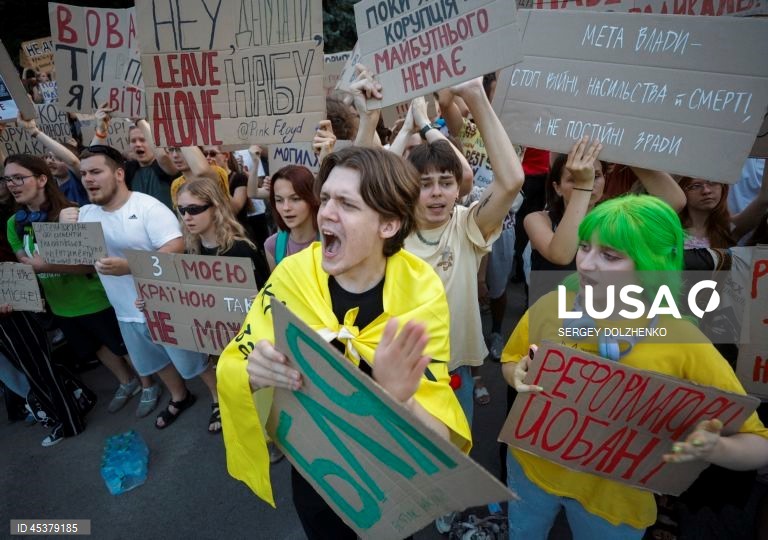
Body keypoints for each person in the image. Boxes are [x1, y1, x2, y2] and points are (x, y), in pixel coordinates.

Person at [217, 147, 471, 539]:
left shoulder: (420, 290)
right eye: (327, 198)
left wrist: (401, 399)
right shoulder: (293, 275)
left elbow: (440, 436)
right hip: (315, 474)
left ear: (388, 224)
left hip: (389, 478)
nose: (326, 213)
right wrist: (252, 371)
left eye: (347, 204)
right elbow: (237, 358)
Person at [502, 194, 768, 539]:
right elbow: (510, 360)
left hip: (615, 502)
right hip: (530, 471)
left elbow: (758, 444)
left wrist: (716, 448)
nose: (586, 264)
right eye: (585, 247)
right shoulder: (553, 305)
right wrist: (518, 374)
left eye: (609, 255)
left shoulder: (682, 340)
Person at [61, 145, 208, 430]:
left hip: (164, 305)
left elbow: (176, 248)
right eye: (83, 174)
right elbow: (71, 256)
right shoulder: (85, 214)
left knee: (196, 362)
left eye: (95, 172)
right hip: (125, 310)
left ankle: (217, 399)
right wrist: (62, 224)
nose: (88, 179)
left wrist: (131, 267)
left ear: (118, 173)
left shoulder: (146, 207)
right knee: (155, 362)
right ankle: (179, 397)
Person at [4, 154, 143, 417]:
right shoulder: (14, 224)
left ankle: (149, 384)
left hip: (94, 298)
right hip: (62, 305)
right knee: (95, 348)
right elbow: (25, 261)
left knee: (122, 346)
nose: (12, 184)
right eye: (8, 178)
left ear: (42, 179)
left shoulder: (71, 212)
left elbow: (92, 265)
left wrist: (47, 263)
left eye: (19, 177)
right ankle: (127, 383)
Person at [678, 166, 768, 249]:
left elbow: (764, 198)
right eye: (696, 186)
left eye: (713, 183)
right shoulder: (670, 228)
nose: (706, 191)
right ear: (681, 190)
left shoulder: (728, 228)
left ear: (723, 188)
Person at [17, 116, 89, 206]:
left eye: (59, 158)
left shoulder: (81, 180)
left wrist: (34, 131)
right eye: (49, 157)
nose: (50, 161)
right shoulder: (46, 187)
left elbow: (73, 162)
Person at [264, 165, 320, 271]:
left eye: (295, 199)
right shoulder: (272, 246)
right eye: (279, 200)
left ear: (312, 198)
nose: (286, 208)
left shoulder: (332, 242)